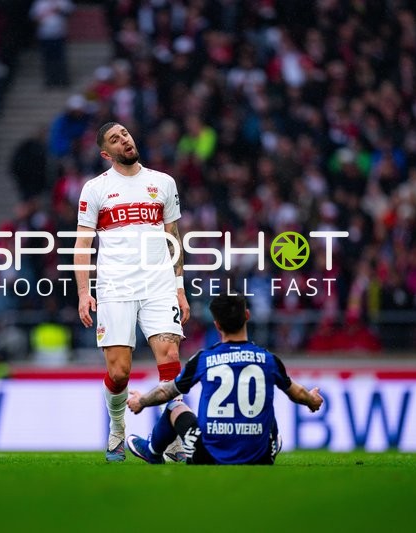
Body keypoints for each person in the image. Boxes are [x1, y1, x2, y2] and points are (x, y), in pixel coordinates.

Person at [74, 122, 191, 462]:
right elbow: (82, 244)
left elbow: (174, 239)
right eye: (115, 139)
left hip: (158, 285)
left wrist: (180, 287)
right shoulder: (96, 189)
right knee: (119, 372)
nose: (124, 139)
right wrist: (84, 292)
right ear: (105, 153)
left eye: (125, 133)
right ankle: (116, 427)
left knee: (169, 357)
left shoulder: (163, 183)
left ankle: (170, 440)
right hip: (115, 286)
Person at [125, 294, 324, 465]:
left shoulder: (204, 359)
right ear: (247, 316)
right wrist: (312, 399)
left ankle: (152, 451)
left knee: (174, 406)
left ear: (217, 325)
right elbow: (297, 393)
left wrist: (141, 402)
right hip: (261, 458)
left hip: (208, 457)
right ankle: (271, 443)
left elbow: (165, 391)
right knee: (265, 405)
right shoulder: (269, 359)